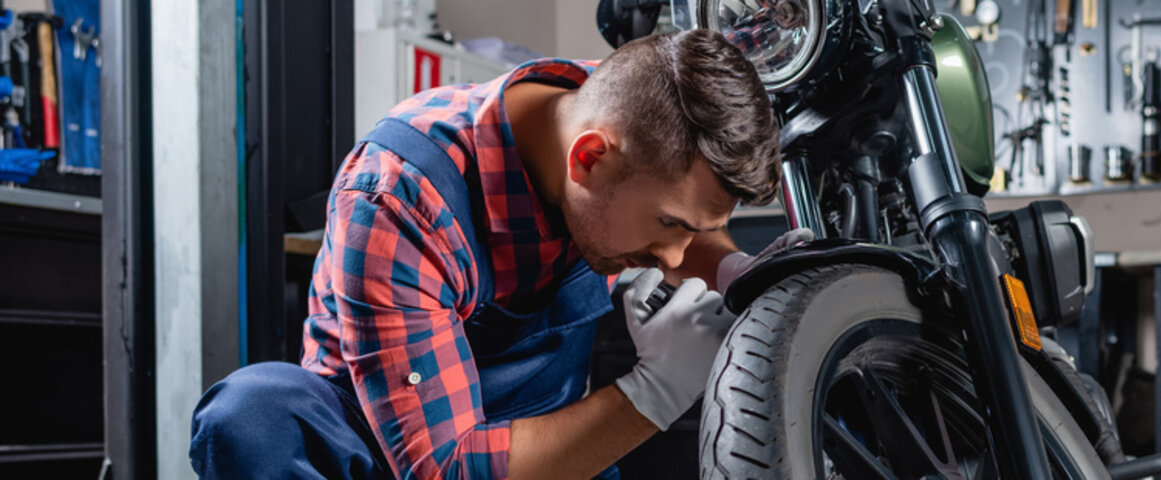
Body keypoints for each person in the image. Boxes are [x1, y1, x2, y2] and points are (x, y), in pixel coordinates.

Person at [188, 29, 813, 479]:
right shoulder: (399, 197)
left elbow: (683, 207)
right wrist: (655, 391)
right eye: (668, 226)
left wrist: (737, 271)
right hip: (388, 449)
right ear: (589, 158)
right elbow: (445, 467)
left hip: (542, 446)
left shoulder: (628, 118)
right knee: (252, 414)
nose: (677, 257)